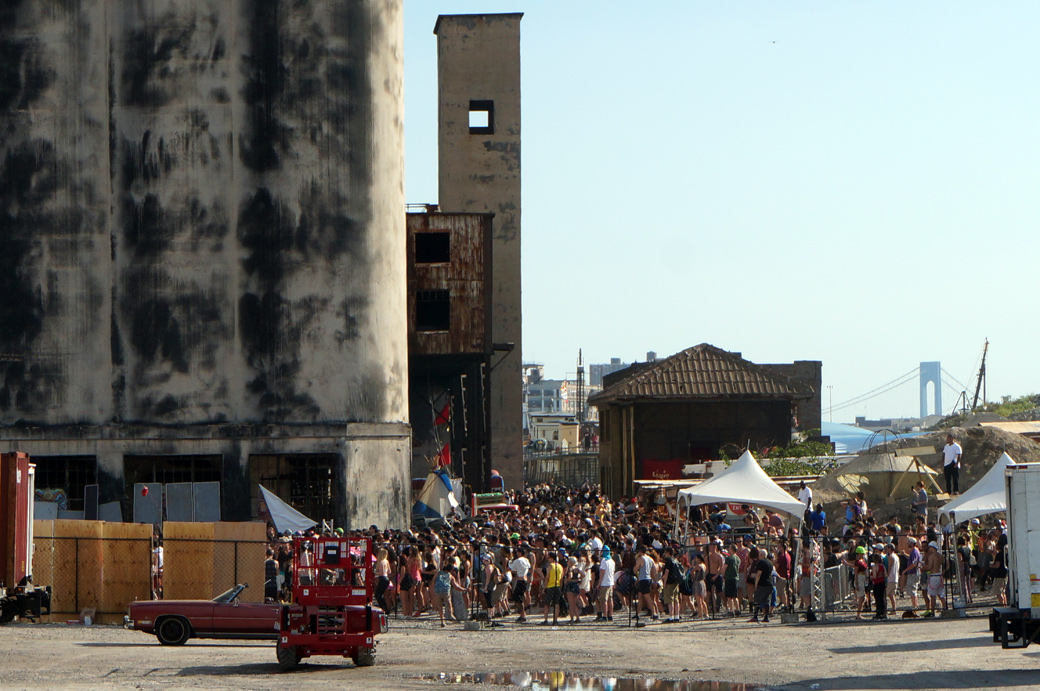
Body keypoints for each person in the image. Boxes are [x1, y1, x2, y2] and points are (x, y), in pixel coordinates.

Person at [748, 547, 774, 623]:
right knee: (766, 600)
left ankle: (755, 616)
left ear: (762, 555)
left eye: (760, 554)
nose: (759, 555)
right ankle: (766, 616)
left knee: (757, 599)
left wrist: (756, 583)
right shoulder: (770, 563)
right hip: (770, 583)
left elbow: (759, 574)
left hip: (763, 583)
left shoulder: (761, 562)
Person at [923, 541, 947, 615]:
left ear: (932, 548)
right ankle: (945, 607)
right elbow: (947, 564)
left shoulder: (931, 556)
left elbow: (929, 567)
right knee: (940, 594)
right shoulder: (940, 556)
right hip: (939, 575)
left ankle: (932, 612)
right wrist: (943, 572)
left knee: (932, 595)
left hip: (933, 576)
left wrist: (922, 565)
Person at [509, 549, 531, 622]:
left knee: (517, 599)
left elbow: (510, 568)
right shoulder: (526, 560)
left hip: (520, 580)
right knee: (521, 596)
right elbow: (529, 568)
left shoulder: (517, 560)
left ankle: (522, 614)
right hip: (524, 579)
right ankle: (523, 613)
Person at [542, 551, 564, 625]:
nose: (548, 559)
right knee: (556, 603)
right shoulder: (560, 566)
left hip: (550, 586)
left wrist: (544, 587)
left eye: (548, 558)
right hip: (557, 586)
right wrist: (560, 587)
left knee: (546, 604)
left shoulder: (550, 566)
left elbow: (547, 577)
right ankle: (555, 620)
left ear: (551, 558)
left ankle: (546, 619)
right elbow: (561, 578)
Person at [596, 547, 615, 622]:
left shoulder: (604, 560)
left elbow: (602, 573)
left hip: (604, 583)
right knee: (610, 599)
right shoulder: (612, 561)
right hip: (611, 582)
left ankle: (605, 615)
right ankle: (610, 615)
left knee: (603, 600)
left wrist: (599, 583)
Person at [903, 537, 922, 611]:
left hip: (913, 573)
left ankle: (915, 605)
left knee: (912, 589)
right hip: (914, 572)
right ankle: (914, 605)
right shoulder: (915, 551)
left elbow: (914, 563)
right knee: (913, 589)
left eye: (908, 543)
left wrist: (906, 570)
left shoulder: (914, 551)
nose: (907, 544)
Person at [869, 552, 888, 620]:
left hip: (877, 584)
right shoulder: (882, 566)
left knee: (877, 598)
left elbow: (874, 576)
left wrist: (869, 576)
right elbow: (885, 575)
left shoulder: (875, 567)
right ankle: (884, 612)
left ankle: (878, 613)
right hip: (882, 583)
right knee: (882, 597)